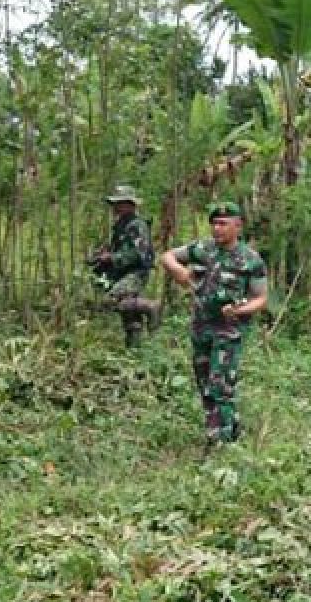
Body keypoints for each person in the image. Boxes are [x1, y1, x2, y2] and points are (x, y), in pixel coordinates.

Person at [159, 201, 267, 446]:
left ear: (238, 226)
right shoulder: (202, 250)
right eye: (214, 224)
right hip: (201, 328)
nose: (217, 229)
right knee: (204, 382)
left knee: (220, 384)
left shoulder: (250, 260)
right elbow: (167, 256)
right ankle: (222, 427)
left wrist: (241, 309)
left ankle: (223, 440)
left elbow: (260, 298)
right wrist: (178, 270)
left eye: (223, 224)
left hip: (228, 330)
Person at [90, 185, 159, 347]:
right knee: (130, 316)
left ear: (130, 205)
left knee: (111, 300)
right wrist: (103, 255)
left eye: (119, 203)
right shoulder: (122, 225)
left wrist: (112, 258)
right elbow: (122, 248)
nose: (115, 207)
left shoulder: (136, 225)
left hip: (135, 272)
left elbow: (137, 253)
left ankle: (150, 306)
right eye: (115, 203)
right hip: (123, 272)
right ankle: (134, 352)